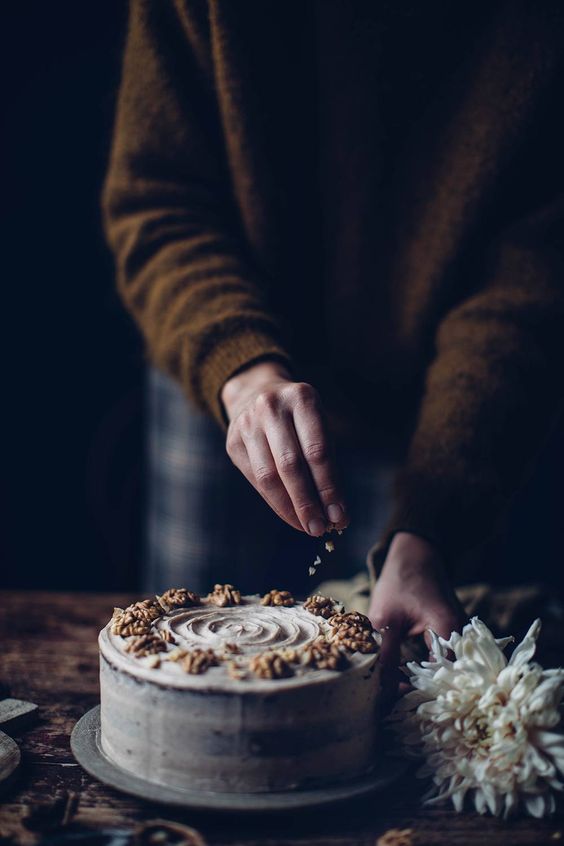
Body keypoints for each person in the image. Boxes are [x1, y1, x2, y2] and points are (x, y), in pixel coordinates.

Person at [102, 1, 564, 684]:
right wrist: (241, 365)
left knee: (391, 671)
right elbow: (159, 198)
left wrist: (431, 524)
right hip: (214, 354)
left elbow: (530, 279)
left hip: (445, 392)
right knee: (180, 673)